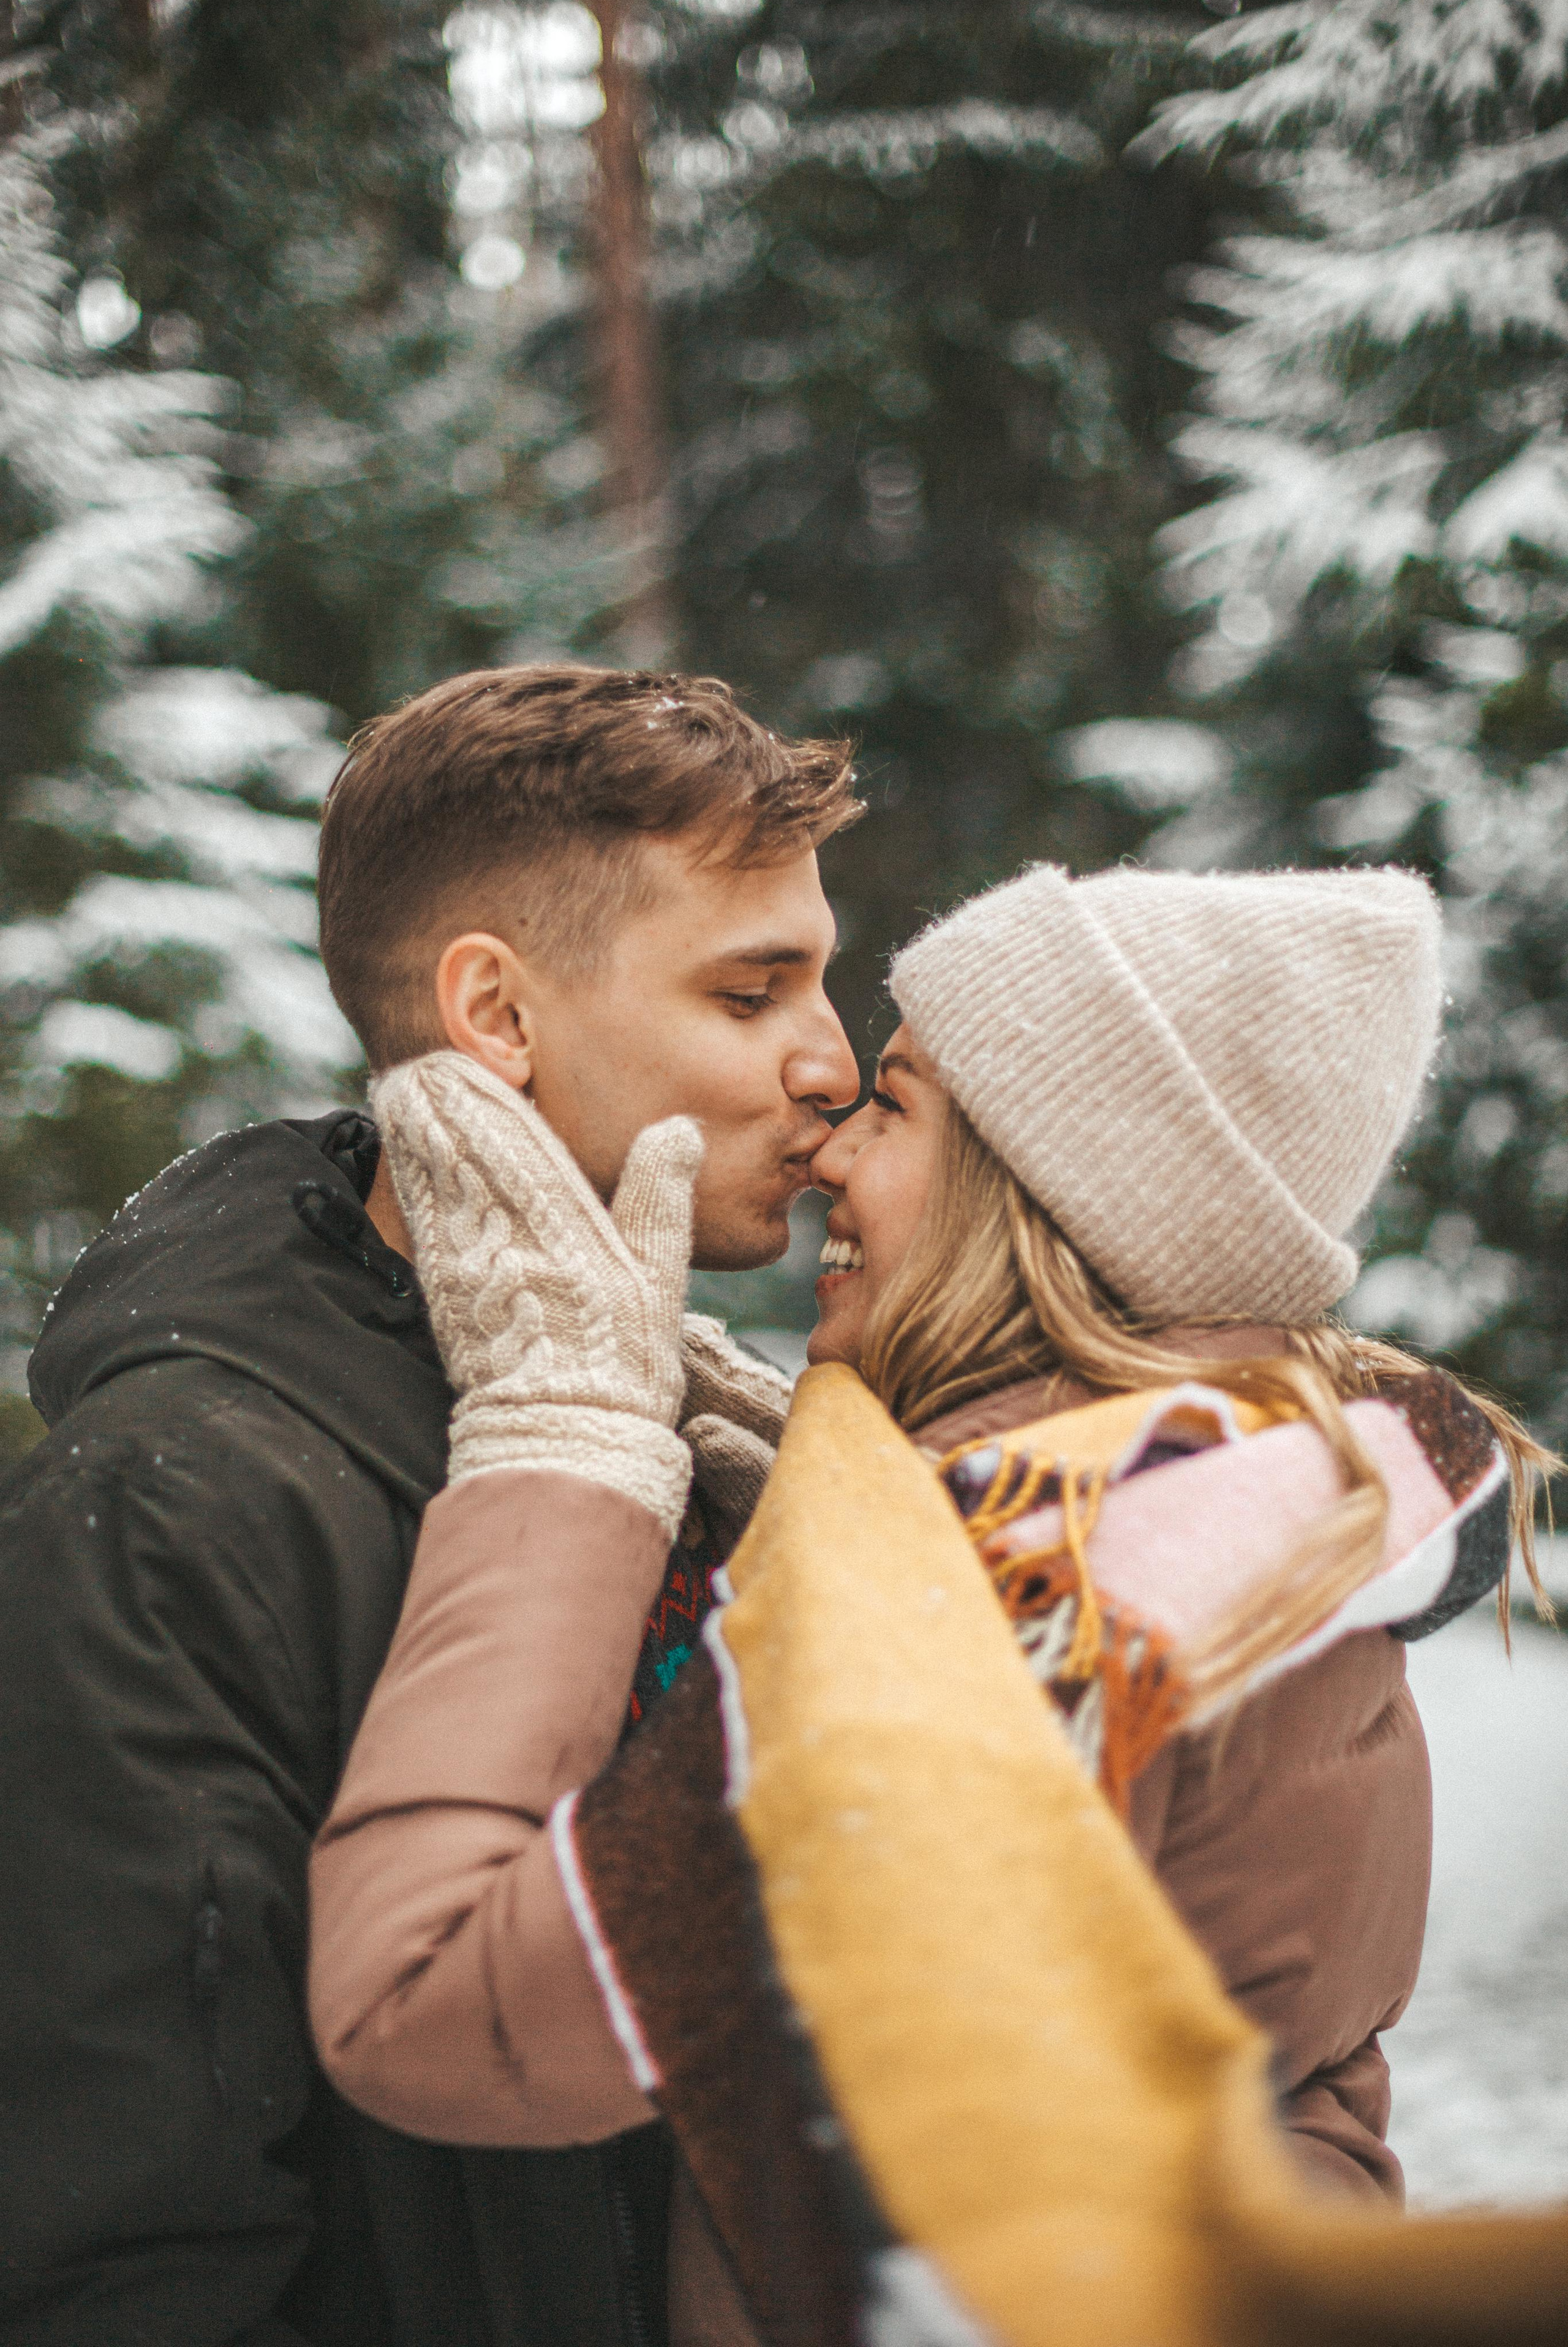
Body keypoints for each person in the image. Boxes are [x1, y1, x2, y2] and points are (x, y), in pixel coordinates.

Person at [308, 861, 1550, 2339]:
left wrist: (559, 1440)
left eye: (893, 1105)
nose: (829, 1149)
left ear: (1041, 1197)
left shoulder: (1016, 1587)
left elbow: (431, 2010)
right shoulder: (1229, 1503)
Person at [0, 663, 861, 2347]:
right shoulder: (175, 1511)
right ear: (499, 1016)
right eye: (754, 995)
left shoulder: (690, 1438)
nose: (834, 1062)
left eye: (824, 984)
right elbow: (119, 2246)